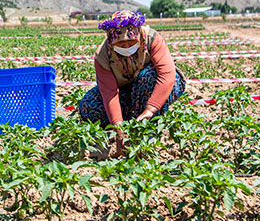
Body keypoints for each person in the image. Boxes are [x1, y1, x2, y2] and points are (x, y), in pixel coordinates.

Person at [77, 11, 186, 155]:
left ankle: (148, 130)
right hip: (127, 92)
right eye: (121, 43)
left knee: (147, 77)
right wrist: (118, 127)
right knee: (88, 105)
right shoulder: (103, 55)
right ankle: (130, 124)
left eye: (131, 42)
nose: (126, 45)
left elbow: (166, 75)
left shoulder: (152, 39)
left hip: (156, 87)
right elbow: (109, 93)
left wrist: (151, 109)